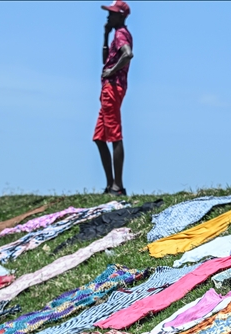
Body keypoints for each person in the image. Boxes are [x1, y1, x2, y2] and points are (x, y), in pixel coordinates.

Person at [94, 1, 134, 196]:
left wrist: (112, 71)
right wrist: (105, 34)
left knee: (114, 135)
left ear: (121, 16)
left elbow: (128, 54)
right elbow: (105, 60)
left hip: (113, 87)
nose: (108, 17)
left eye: (112, 14)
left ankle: (117, 186)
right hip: (108, 88)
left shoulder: (121, 35)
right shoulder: (116, 35)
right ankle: (111, 185)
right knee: (99, 138)